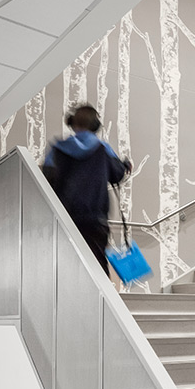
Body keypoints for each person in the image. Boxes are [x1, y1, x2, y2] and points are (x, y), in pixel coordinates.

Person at [41, 104, 132, 274]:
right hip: (95, 218)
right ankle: (103, 300)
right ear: (95, 125)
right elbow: (117, 175)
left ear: (72, 123)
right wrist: (126, 165)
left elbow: (46, 179)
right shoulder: (102, 148)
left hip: (63, 216)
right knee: (97, 263)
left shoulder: (57, 149)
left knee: (65, 264)